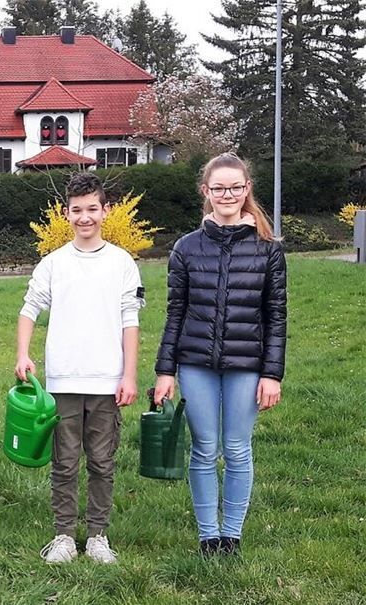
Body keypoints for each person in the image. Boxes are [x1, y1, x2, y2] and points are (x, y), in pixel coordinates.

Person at [153, 152, 286, 557]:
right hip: (195, 363)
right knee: (205, 448)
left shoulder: (268, 248)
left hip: (248, 365)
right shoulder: (186, 248)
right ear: (205, 192)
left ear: (246, 190)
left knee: (237, 447)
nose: (226, 194)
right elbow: (175, 312)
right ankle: (209, 535)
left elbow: (276, 315)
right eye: (218, 188)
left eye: (235, 187)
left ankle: (233, 534)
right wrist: (165, 370)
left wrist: (272, 374)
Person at [15, 172, 142, 564]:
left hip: (107, 380)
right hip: (63, 380)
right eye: (76, 210)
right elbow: (29, 308)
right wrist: (23, 353)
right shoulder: (54, 263)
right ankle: (65, 536)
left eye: (92, 209)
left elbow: (130, 320)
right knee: (65, 462)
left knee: (103, 462)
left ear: (105, 211)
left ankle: (99, 536)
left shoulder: (122, 263)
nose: (84, 217)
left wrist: (130, 375)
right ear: (66, 213)